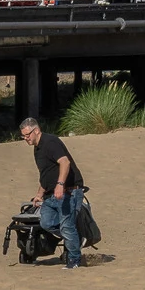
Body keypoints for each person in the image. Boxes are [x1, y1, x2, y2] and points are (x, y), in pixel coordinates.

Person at [20, 114, 88, 270]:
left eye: (27, 135)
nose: (25, 138)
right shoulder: (37, 150)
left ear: (36, 130)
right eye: (23, 136)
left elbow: (65, 162)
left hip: (69, 191)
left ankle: (74, 260)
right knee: (46, 223)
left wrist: (60, 184)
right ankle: (76, 238)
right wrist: (39, 194)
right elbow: (46, 175)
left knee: (66, 226)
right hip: (51, 195)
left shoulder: (51, 142)